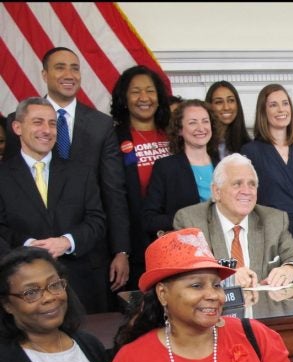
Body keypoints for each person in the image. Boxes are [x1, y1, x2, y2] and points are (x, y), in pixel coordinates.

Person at [99, 228, 293, 362]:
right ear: (163, 294)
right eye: (196, 285)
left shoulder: (256, 336)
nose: (214, 295)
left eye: (216, 285)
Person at [5, 47, 130, 293]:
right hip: (26, 266)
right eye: (60, 67)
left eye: (75, 67)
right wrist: (28, 245)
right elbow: (14, 188)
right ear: (44, 74)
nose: (69, 74)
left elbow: (113, 191)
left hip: (87, 257)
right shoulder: (16, 121)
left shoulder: (101, 124)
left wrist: (121, 250)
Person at [0, 98, 107, 313]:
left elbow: (96, 221)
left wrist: (66, 242)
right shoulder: (2, 175)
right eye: (38, 122)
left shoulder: (81, 173)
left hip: (79, 285)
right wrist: (29, 246)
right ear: (17, 127)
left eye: (52, 123)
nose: (46, 130)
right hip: (22, 287)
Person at [0, 246, 108, 362]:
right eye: (31, 293)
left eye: (54, 285)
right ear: (7, 305)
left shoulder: (90, 345)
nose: (49, 297)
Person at [174, 154, 293, 288]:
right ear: (216, 192)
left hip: (262, 309)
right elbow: (188, 272)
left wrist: (290, 269)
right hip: (215, 309)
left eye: (252, 185)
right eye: (237, 184)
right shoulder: (191, 221)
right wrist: (228, 277)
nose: (247, 191)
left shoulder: (273, 220)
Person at [110, 65, 172, 290]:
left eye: (150, 90)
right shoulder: (114, 138)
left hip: (173, 239)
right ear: (124, 98)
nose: (144, 97)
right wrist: (122, 250)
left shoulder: (174, 134)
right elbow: (114, 199)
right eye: (136, 91)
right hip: (135, 243)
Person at [241, 84, 293, 257]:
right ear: (263, 111)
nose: (281, 109)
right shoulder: (251, 151)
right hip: (269, 234)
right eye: (273, 105)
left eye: (285, 103)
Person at [143, 99, 220, 237]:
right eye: (192, 122)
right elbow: (149, 219)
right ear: (179, 130)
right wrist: (187, 219)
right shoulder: (165, 167)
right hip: (186, 249)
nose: (201, 128)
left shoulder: (223, 166)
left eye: (205, 121)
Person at [205, 81, 251, 158]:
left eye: (231, 100)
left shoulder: (249, 146)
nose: (226, 107)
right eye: (219, 102)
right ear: (210, 105)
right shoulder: (202, 143)